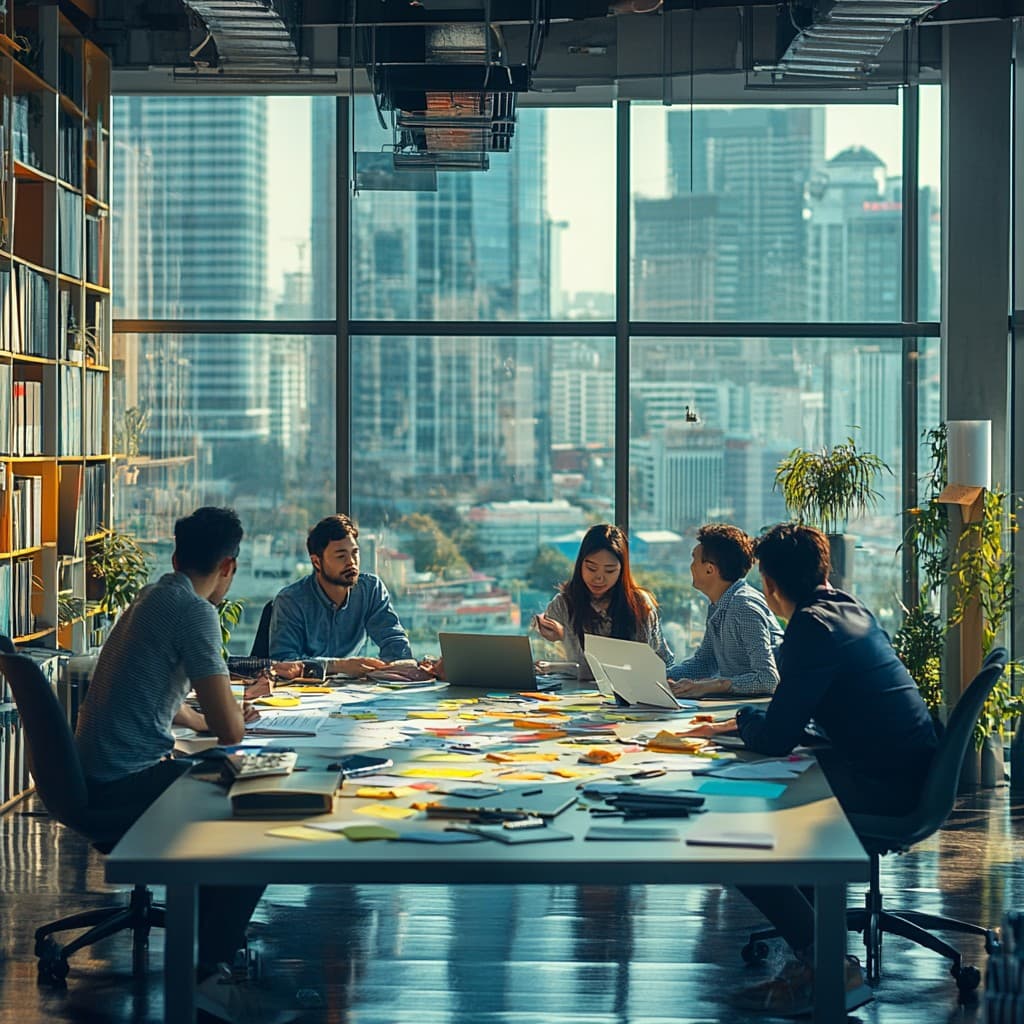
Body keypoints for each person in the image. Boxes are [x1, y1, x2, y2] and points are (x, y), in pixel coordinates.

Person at [683, 523, 937, 1016]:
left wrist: (739, 719)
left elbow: (777, 735)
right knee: (769, 800)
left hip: (886, 787)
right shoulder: (846, 608)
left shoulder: (809, 630)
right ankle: (819, 961)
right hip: (909, 770)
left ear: (771, 585)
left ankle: (827, 967)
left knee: (732, 835)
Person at [74, 507, 269, 1019]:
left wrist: (203, 721)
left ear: (178, 555)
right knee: (255, 817)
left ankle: (211, 955)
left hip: (95, 772)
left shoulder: (155, 595)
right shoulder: (197, 612)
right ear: (228, 566)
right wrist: (231, 714)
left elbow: (163, 693)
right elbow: (233, 732)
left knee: (218, 784)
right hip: (124, 782)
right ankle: (210, 973)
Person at [269, 513, 414, 677]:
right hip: (304, 696)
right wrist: (338, 666)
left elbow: (394, 641)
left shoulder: (371, 589)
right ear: (317, 562)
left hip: (356, 692)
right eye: (341, 556)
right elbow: (284, 662)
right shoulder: (291, 601)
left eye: (354, 553)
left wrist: (392, 667)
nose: (351, 562)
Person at [533, 523, 672, 679]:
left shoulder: (638, 604)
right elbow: (539, 648)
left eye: (610, 570)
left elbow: (640, 667)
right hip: (576, 695)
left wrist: (556, 668)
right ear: (580, 565)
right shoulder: (564, 603)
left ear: (622, 570)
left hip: (629, 695)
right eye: (591, 568)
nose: (599, 578)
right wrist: (545, 629)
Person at [667, 523, 782, 697]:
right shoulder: (719, 605)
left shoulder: (743, 607)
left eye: (694, 559)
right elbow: (705, 663)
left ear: (709, 569)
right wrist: (658, 677)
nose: (691, 566)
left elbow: (768, 679)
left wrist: (713, 685)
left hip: (759, 711)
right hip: (738, 706)